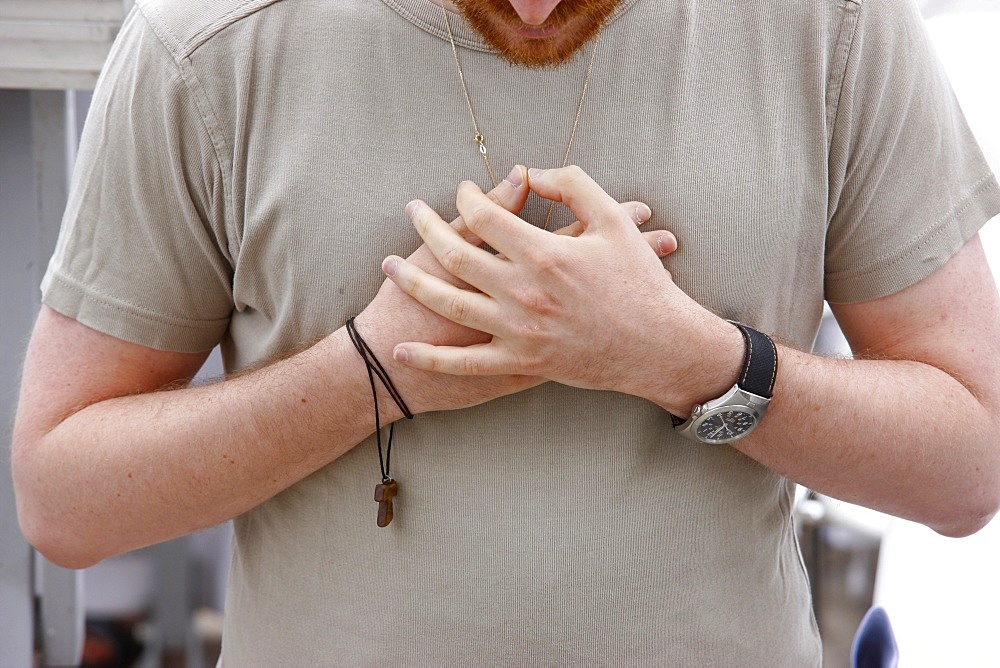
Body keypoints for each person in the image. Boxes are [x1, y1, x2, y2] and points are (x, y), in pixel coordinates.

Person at [11, 0, 1000, 664]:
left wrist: (691, 361)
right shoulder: (209, 40)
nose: (532, 11)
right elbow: (64, 497)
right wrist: (375, 369)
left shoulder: (832, 27)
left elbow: (972, 466)